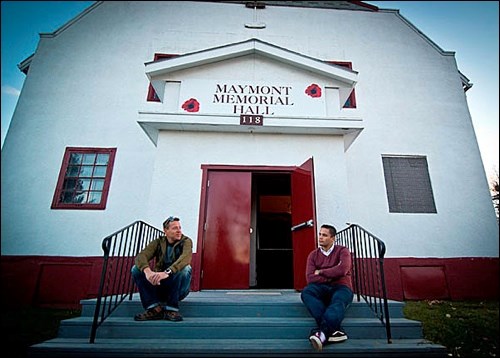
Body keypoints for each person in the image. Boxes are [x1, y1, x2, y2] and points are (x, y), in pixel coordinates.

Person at [301, 224, 354, 352]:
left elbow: (343, 270)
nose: (320, 237)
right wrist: (333, 275)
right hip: (321, 288)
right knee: (306, 293)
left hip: (342, 286)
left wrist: (322, 272)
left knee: (338, 301)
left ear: (333, 238)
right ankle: (335, 331)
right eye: (320, 234)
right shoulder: (313, 255)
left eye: (324, 235)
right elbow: (310, 278)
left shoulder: (343, 251)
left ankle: (322, 333)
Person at [131, 216, 193, 322]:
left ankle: (171, 310)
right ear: (165, 230)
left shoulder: (186, 241)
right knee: (135, 269)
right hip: (159, 285)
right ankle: (154, 309)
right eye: (175, 228)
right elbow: (141, 256)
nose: (179, 231)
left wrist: (167, 272)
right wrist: (148, 272)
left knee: (185, 268)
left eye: (180, 227)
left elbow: (185, 258)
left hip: (178, 289)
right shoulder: (158, 242)